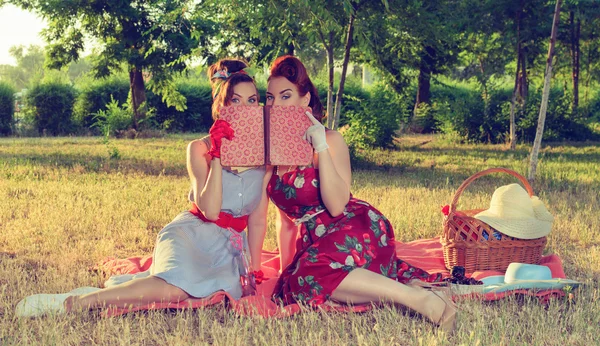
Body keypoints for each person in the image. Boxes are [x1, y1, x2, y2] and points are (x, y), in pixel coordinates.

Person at [16, 58, 271, 317]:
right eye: (235, 100)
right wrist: (217, 155)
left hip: (229, 249)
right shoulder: (199, 149)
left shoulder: (265, 156)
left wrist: (254, 267)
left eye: (252, 100)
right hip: (193, 236)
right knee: (175, 291)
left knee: (204, 291)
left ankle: (129, 287)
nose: (245, 108)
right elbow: (211, 211)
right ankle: (77, 302)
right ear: (220, 106)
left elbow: (258, 218)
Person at [264, 55, 457, 333]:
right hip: (315, 241)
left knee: (312, 273)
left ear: (304, 100)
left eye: (285, 96)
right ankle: (408, 294)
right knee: (297, 283)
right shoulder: (272, 152)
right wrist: (286, 272)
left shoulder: (330, 140)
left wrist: (320, 147)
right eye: (270, 98)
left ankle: (424, 302)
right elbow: (284, 222)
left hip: (352, 224)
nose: (275, 105)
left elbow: (336, 205)